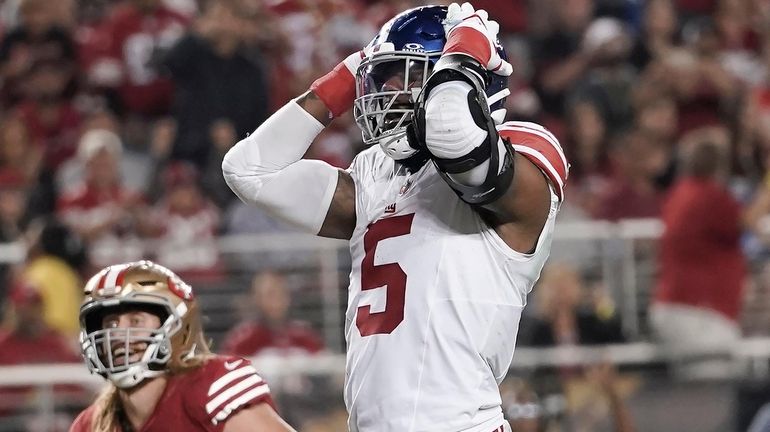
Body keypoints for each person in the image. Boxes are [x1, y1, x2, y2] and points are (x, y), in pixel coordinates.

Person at [223, 3, 568, 431]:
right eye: (386, 78)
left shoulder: (527, 146)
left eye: (414, 77)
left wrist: (465, 47)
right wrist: (349, 73)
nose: (393, 93)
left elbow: (453, 134)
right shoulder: (375, 173)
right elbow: (250, 171)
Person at [69, 260, 297, 432]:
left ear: (175, 327)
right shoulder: (92, 425)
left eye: (136, 320)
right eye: (111, 323)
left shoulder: (209, 386)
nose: (118, 334)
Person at [223, 270, 323, 358]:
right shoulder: (242, 338)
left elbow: (326, 368)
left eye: (281, 293)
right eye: (270, 294)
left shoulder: (304, 334)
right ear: (256, 298)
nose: (276, 301)